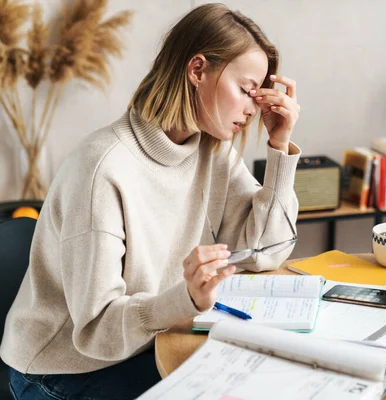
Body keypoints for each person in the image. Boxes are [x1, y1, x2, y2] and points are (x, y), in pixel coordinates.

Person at [1, 3, 301, 399]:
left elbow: (266, 250)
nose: (252, 108)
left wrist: (279, 147)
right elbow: (94, 331)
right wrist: (186, 298)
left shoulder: (211, 151)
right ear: (197, 70)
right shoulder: (103, 169)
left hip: (148, 343)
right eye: (246, 90)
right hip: (61, 369)